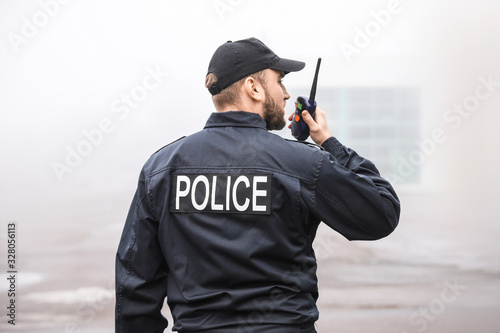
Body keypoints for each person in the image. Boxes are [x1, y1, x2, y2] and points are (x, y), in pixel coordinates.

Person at [115, 37, 400, 333]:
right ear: (254, 87)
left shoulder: (161, 169)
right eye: (280, 81)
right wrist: (329, 143)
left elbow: (136, 283)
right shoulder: (302, 163)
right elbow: (382, 213)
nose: (287, 95)